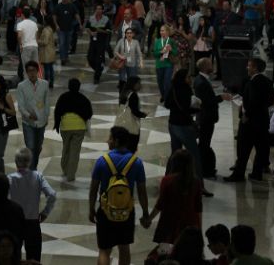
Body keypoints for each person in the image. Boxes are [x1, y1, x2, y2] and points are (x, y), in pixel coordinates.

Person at [89, 126, 149, 265]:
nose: (107, 141)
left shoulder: (102, 161)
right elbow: (142, 191)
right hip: (126, 212)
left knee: (104, 250)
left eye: (109, 138)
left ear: (115, 141)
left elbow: (93, 189)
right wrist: (145, 213)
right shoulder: (136, 162)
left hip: (105, 210)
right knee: (124, 248)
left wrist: (91, 209)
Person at [224, 58, 274, 183]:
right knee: (260, 148)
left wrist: (247, 115)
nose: (247, 68)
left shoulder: (252, 83)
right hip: (262, 121)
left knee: (243, 149)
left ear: (255, 68)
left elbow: (251, 102)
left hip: (249, 123)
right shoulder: (268, 82)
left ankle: (239, 174)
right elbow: (270, 101)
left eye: (249, 66)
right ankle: (256, 174)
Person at [165, 69, 213, 197]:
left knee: (175, 154)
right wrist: (197, 107)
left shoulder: (173, 88)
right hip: (183, 126)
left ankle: (168, 181)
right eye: (188, 77)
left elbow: (167, 104)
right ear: (183, 78)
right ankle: (200, 186)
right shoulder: (185, 90)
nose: (190, 79)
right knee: (194, 157)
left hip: (172, 124)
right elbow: (188, 107)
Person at [141, 150, 202, 245]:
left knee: (168, 253)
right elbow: (198, 208)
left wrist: (149, 219)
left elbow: (160, 204)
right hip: (190, 222)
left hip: (169, 223)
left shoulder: (167, 180)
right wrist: (199, 229)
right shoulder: (196, 182)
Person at [8, 148, 57, 262]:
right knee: (34, 259)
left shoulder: (10, 178)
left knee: (13, 258)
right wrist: (45, 212)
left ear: (16, 161)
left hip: (15, 223)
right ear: (29, 162)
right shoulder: (38, 176)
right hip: (32, 223)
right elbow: (52, 195)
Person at [193, 58, 232, 178]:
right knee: (204, 144)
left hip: (205, 117)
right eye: (210, 64)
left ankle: (204, 168)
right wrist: (221, 97)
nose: (213, 66)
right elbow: (206, 101)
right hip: (206, 118)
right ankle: (204, 170)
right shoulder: (201, 82)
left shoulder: (202, 79)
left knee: (205, 143)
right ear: (205, 67)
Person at [53, 78, 93, 181]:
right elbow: (89, 113)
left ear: (69, 86)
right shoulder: (83, 99)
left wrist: (57, 125)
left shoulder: (63, 97)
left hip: (65, 126)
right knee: (74, 151)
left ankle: (65, 169)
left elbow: (57, 111)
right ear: (79, 87)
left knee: (66, 148)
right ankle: (71, 175)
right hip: (79, 127)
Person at [15, 61, 50, 171]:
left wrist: (46, 117)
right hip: (28, 122)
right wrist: (28, 115)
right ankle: (32, 170)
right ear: (26, 72)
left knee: (38, 147)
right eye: (29, 71)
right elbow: (20, 105)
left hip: (41, 121)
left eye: (33, 71)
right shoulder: (21, 86)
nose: (32, 73)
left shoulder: (44, 84)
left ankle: (33, 164)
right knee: (30, 147)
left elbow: (47, 103)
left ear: (37, 71)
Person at [118, 76, 147, 153]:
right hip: (131, 125)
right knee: (131, 147)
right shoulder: (133, 95)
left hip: (123, 124)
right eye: (138, 83)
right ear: (133, 84)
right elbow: (134, 111)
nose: (140, 85)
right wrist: (143, 114)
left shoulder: (124, 93)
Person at [86, 4, 112, 85]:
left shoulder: (106, 19)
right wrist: (91, 33)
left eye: (100, 9)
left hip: (101, 41)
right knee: (90, 58)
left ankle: (96, 77)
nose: (98, 10)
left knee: (98, 59)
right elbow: (87, 27)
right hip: (93, 41)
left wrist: (100, 31)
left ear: (102, 10)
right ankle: (99, 69)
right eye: (97, 9)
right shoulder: (91, 18)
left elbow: (109, 31)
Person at [154, 25, 178, 103]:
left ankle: (167, 98)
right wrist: (161, 52)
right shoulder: (157, 41)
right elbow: (154, 54)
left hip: (168, 64)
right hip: (159, 64)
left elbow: (176, 52)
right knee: (160, 82)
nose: (161, 32)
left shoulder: (171, 41)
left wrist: (171, 50)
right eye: (161, 31)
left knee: (167, 82)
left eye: (163, 30)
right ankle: (163, 95)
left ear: (167, 32)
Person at [115, 27, 144, 92]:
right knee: (122, 78)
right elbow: (115, 51)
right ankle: (123, 91)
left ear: (133, 34)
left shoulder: (136, 42)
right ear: (125, 34)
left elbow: (139, 53)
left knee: (132, 79)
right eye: (127, 33)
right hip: (123, 63)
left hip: (132, 63)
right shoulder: (121, 41)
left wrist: (141, 62)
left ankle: (130, 91)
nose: (129, 34)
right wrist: (120, 56)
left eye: (130, 33)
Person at [37, 16, 57, 89]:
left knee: (47, 69)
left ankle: (46, 82)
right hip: (50, 52)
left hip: (46, 52)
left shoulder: (46, 30)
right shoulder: (51, 29)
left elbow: (45, 42)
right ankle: (51, 82)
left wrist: (38, 41)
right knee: (51, 68)